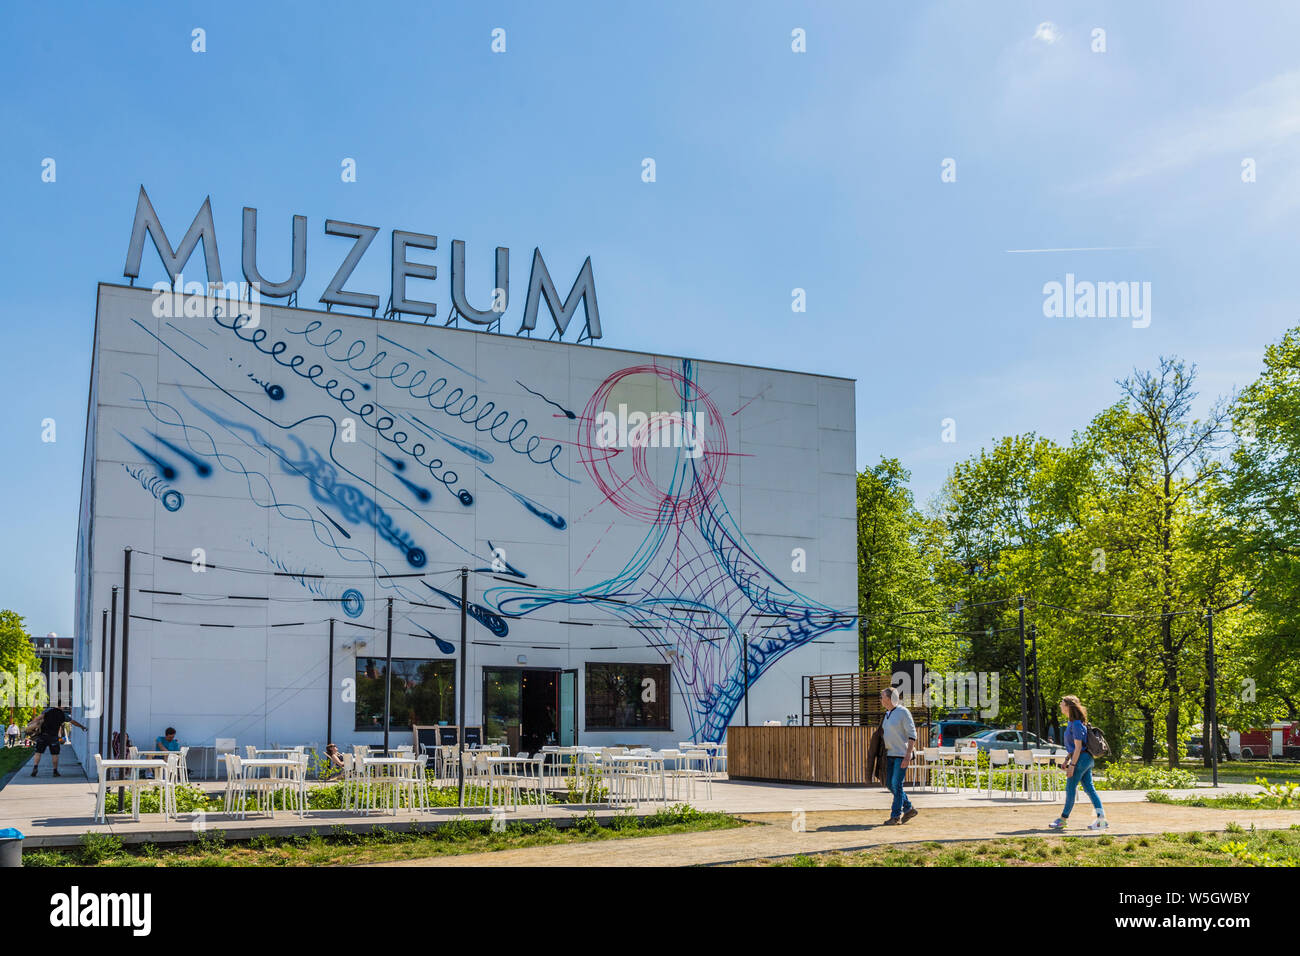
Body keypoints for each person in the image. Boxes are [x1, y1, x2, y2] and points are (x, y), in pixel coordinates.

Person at [1049, 695, 1107, 830]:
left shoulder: (1075, 724)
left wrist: (1072, 766)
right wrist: (1067, 759)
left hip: (1081, 760)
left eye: (1062, 703)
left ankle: (1063, 819)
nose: (1060, 705)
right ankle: (1101, 820)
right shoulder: (1073, 723)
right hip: (1083, 759)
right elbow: (1074, 747)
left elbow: (1079, 747)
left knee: (1070, 789)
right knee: (1089, 789)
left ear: (1069, 706)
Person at [879, 685, 919, 825]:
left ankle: (895, 816)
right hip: (889, 754)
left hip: (901, 754)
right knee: (890, 784)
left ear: (889, 698)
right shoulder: (887, 714)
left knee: (897, 784)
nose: (881, 699)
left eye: (882, 696)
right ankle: (908, 807)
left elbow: (912, 734)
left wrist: (908, 755)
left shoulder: (903, 712)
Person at [30, 704, 86, 777]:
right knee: (55, 754)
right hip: (53, 737)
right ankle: (55, 771)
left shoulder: (47, 711)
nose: (63, 708)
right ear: (61, 706)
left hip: (43, 735)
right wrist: (81, 726)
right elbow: (73, 722)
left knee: (38, 752)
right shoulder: (62, 714)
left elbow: (38, 718)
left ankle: (35, 767)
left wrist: (30, 725)